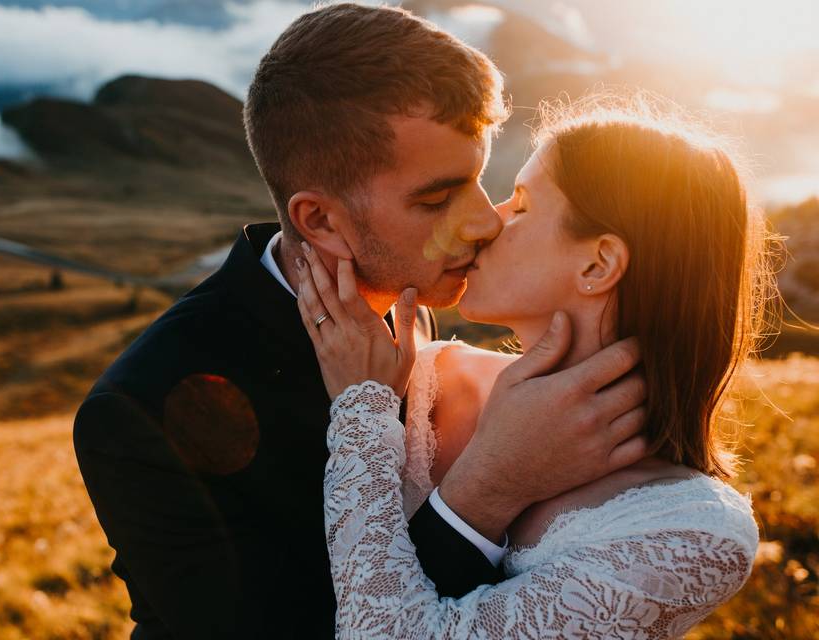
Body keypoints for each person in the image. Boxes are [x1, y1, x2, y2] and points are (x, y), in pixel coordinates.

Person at [73, 5, 647, 638]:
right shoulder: (138, 410)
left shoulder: (405, 307)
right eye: (436, 200)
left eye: (479, 180)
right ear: (319, 220)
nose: (485, 222)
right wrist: (487, 490)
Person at [296, 94, 767, 638]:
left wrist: (362, 413)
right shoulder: (419, 377)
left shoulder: (689, 530)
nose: (483, 223)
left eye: (519, 205)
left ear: (599, 263)